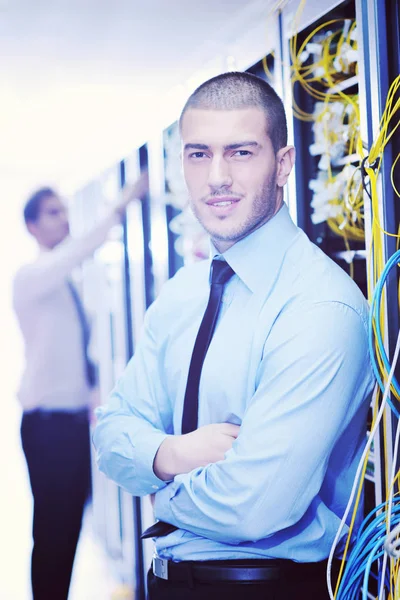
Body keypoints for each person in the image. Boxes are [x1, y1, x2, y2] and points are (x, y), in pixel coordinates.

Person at [93, 72, 374, 600]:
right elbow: (109, 436)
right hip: (168, 586)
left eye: (241, 152)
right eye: (199, 155)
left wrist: (159, 491)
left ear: (284, 165)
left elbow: (257, 504)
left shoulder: (318, 306)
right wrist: (174, 454)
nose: (217, 176)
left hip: (270, 588)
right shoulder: (183, 293)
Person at [13, 173, 148, 600]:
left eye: (65, 210)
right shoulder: (33, 276)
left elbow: (73, 348)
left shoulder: (61, 282)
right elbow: (79, 250)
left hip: (69, 425)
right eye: (53, 212)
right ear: (32, 226)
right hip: (46, 427)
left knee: (67, 526)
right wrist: (122, 204)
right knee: (54, 530)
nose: (64, 219)